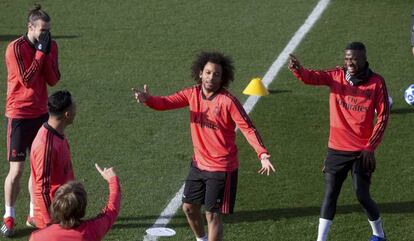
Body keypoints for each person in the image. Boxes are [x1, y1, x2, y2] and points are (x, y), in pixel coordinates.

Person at [132, 51, 275, 241]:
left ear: (222, 78)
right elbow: (166, 103)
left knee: (212, 215)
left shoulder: (228, 101)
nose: (211, 77)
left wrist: (262, 154)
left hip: (221, 169)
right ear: (200, 73)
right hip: (199, 165)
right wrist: (148, 99)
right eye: (208, 72)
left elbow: (248, 129)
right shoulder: (192, 94)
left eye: (216, 74)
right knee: (189, 208)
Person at [288, 42, 389, 241]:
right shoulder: (336, 75)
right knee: (330, 193)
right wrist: (298, 70)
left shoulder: (377, 82)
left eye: (354, 59)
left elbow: (383, 116)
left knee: (361, 194)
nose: (350, 62)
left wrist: (370, 147)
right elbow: (313, 78)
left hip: (362, 150)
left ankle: (379, 234)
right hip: (337, 148)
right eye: (347, 58)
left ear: (364, 58)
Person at [2, 4, 60, 237]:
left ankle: (33, 214)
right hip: (19, 115)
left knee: (39, 170)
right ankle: (9, 215)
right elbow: (26, 79)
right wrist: (40, 53)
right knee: (16, 170)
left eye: (48, 30)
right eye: (42, 30)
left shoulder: (50, 45)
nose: (46, 34)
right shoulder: (14, 48)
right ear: (30, 27)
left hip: (41, 114)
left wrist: (47, 54)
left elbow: (54, 80)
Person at [29, 163, 121, 241]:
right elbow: (112, 210)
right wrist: (112, 180)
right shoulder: (92, 230)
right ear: (82, 208)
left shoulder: (37, 237)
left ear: (55, 205)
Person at [29, 90, 76, 229]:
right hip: (54, 216)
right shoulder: (45, 146)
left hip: (65, 210)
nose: (76, 111)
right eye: (74, 107)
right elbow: (41, 189)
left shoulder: (58, 134)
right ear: (67, 114)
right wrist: (51, 222)